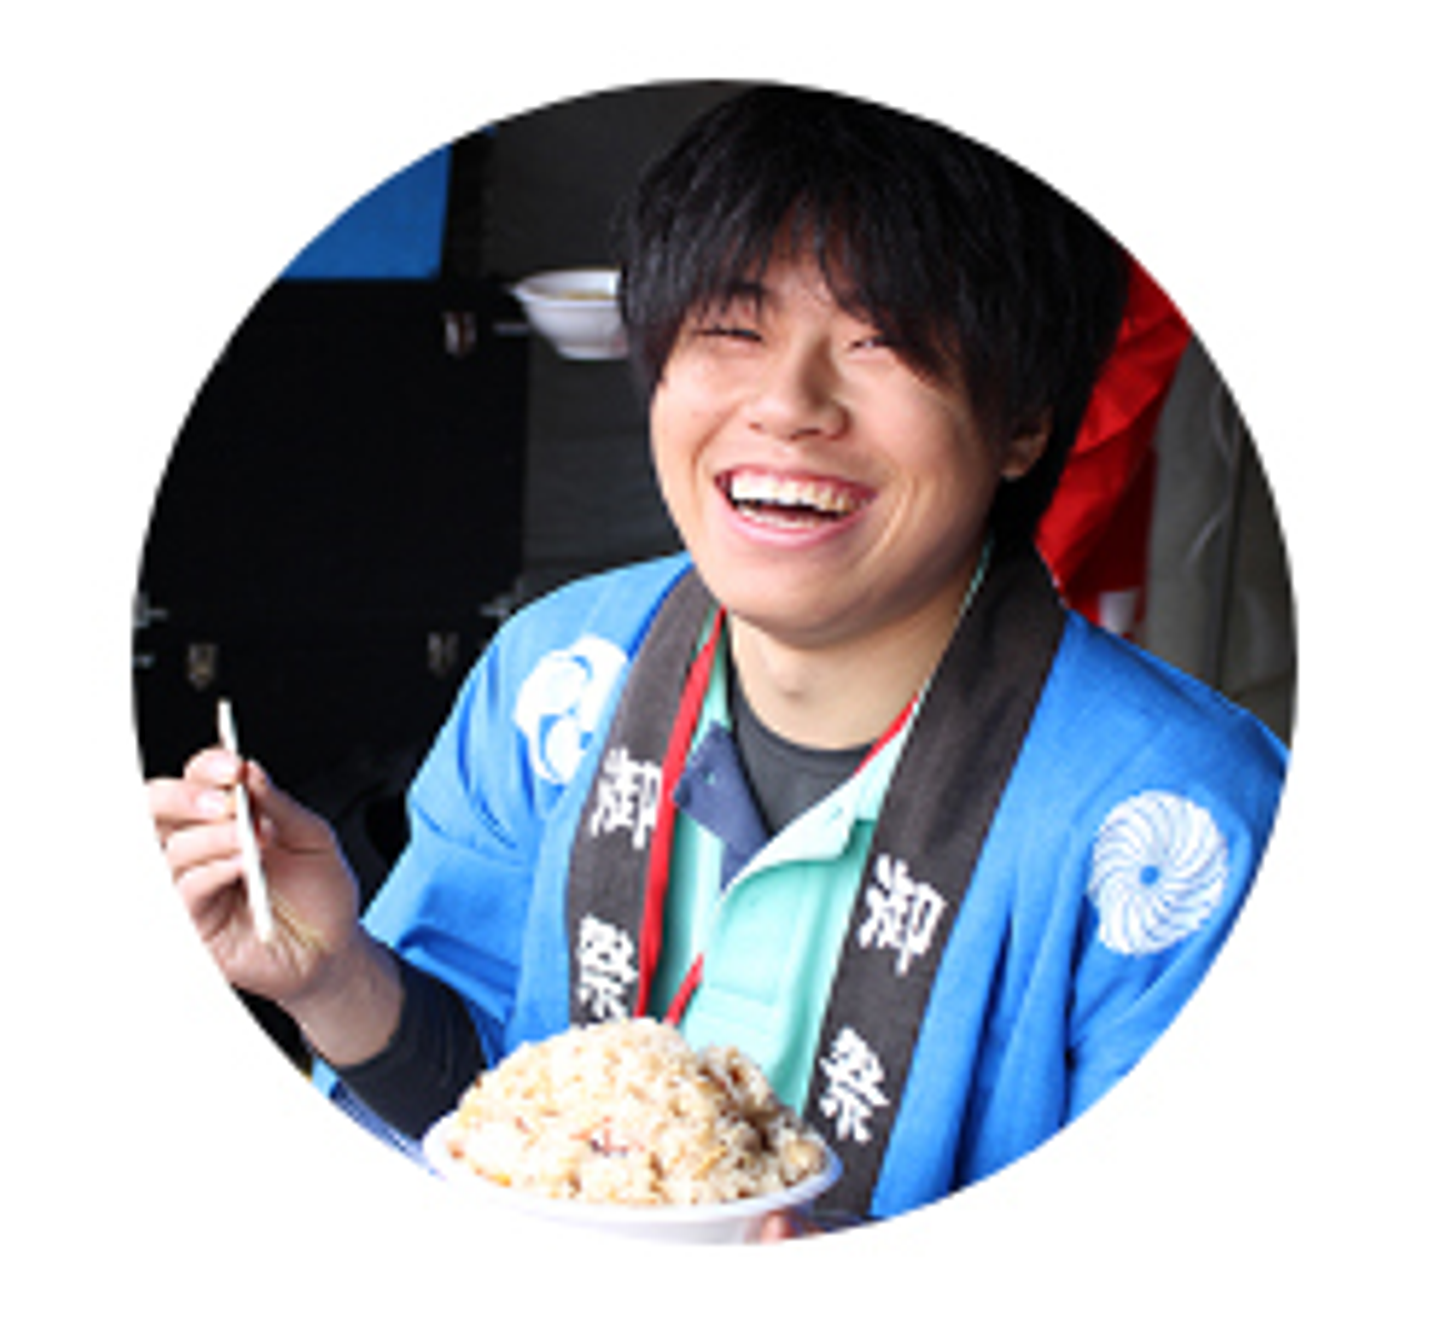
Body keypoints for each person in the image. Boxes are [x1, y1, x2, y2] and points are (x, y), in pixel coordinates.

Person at [148, 85, 1287, 1228]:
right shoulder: (558, 676)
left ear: (1025, 420)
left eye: (883, 342)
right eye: (733, 331)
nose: (788, 405)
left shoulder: (1178, 821)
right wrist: (334, 975)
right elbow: (485, 1122)